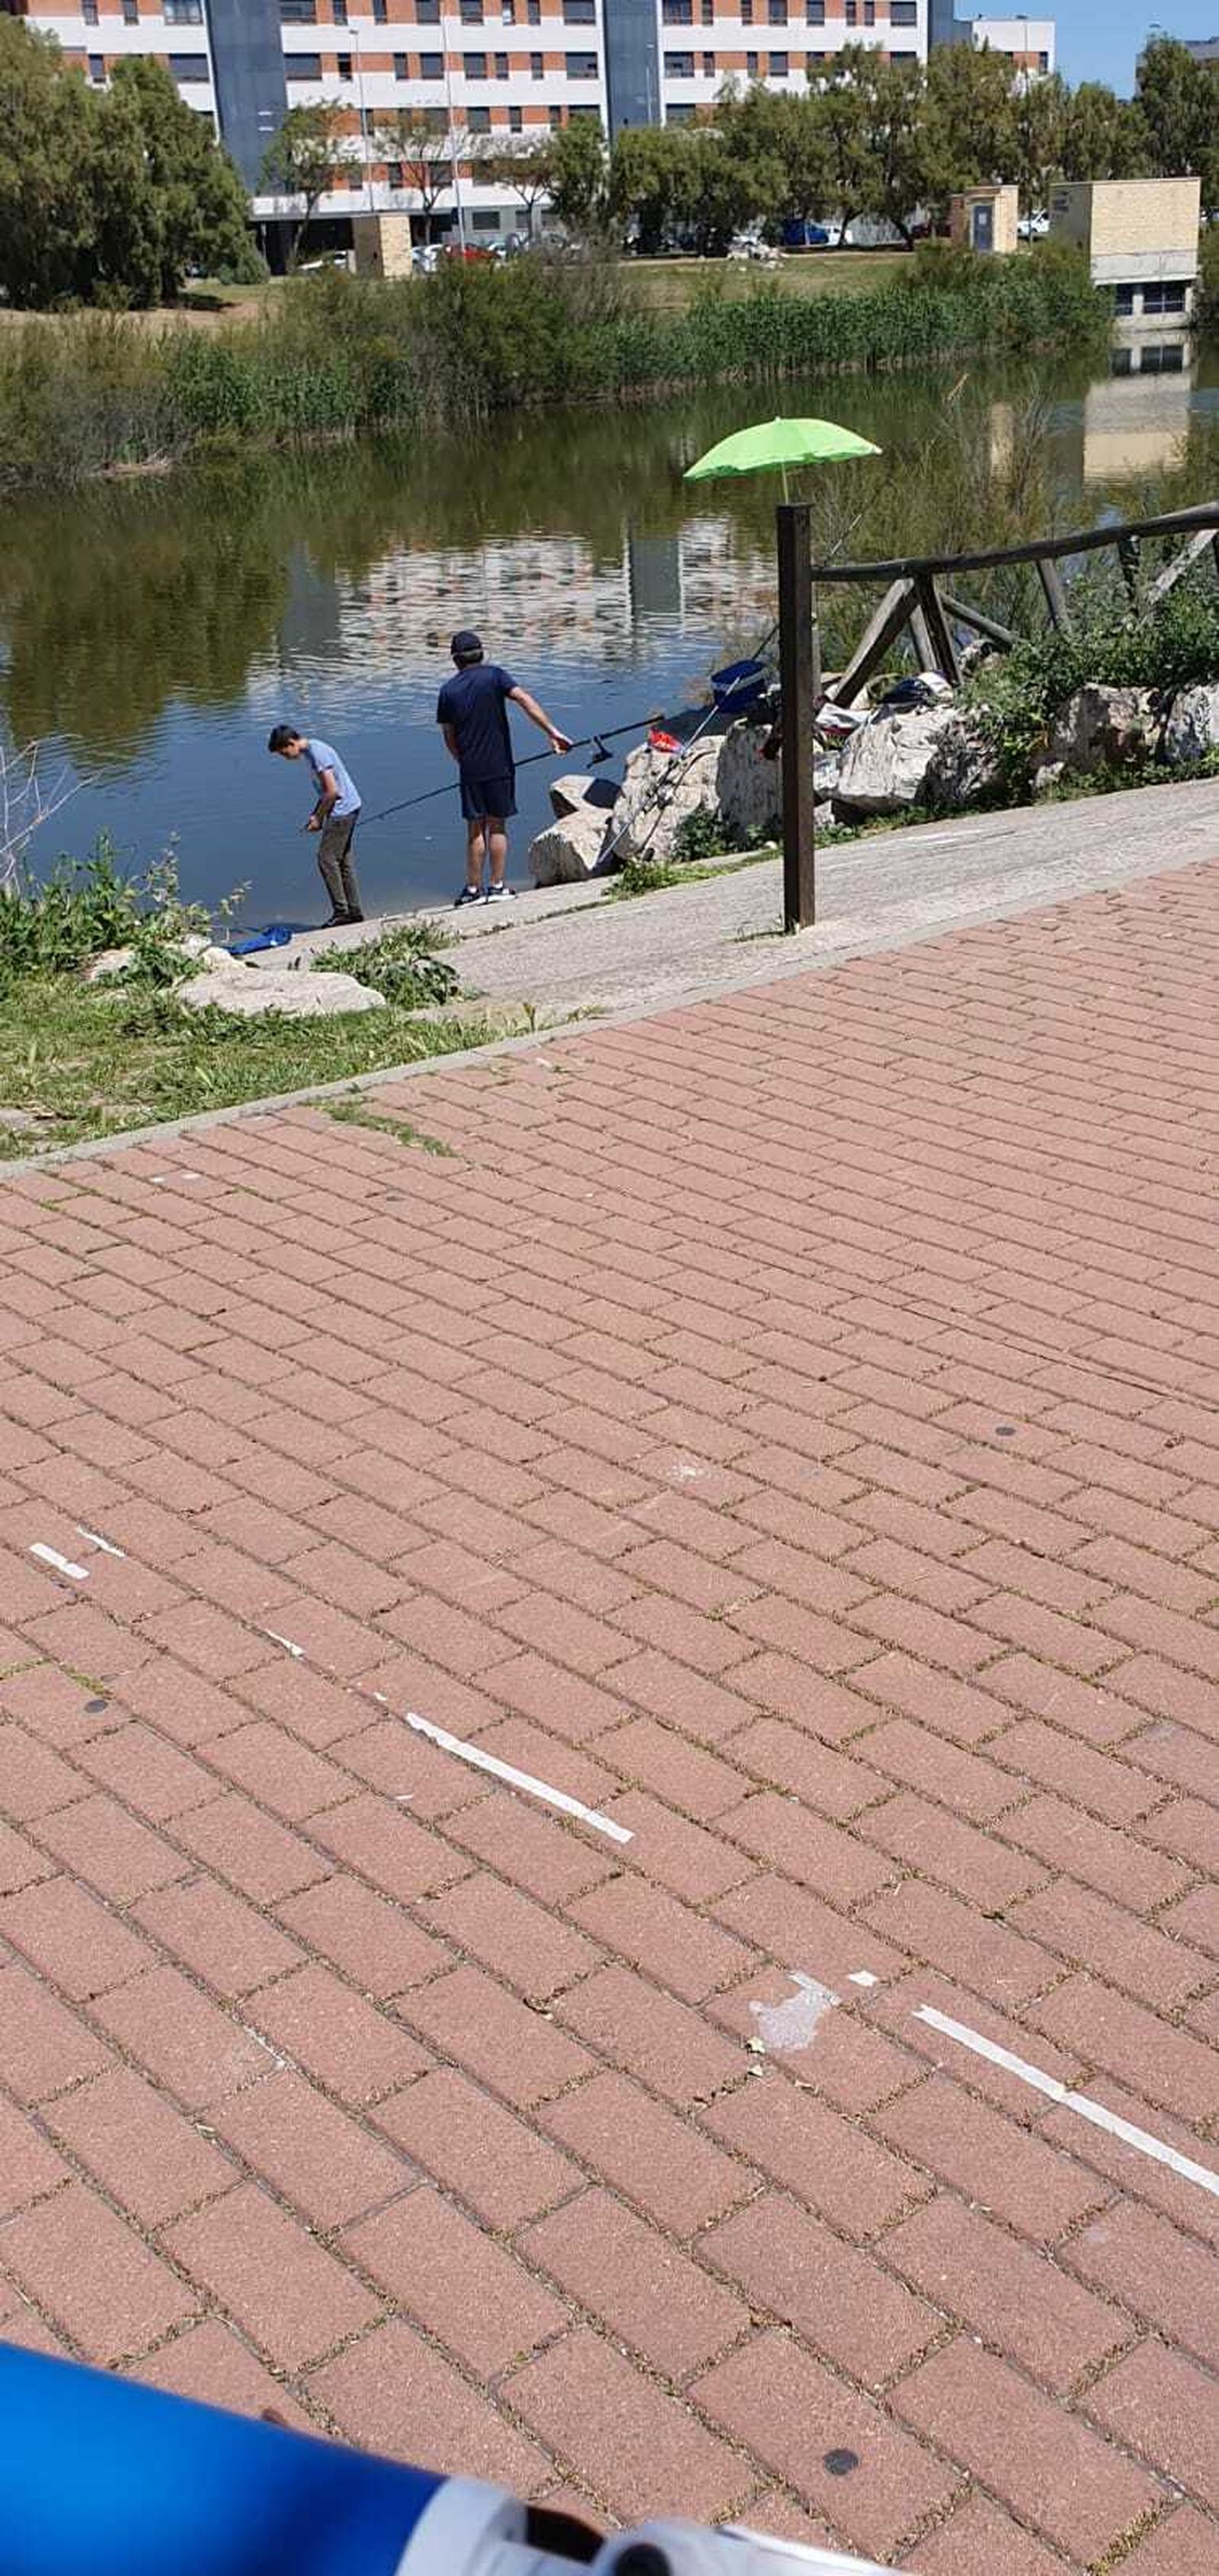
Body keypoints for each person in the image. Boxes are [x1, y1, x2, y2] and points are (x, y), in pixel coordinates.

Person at [437, 631, 571, 906]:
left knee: (475, 829)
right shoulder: (496, 676)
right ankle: (497, 886)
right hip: (500, 764)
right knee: (497, 825)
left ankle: (473, 891)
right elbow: (524, 700)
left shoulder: (448, 691)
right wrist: (552, 732)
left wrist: (462, 761)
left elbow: (449, 737)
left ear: (455, 660)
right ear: (482, 653)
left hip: (471, 768)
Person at [267, 724, 365, 927]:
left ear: (291, 743)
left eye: (284, 753)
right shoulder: (313, 750)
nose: (285, 757)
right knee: (343, 861)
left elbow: (332, 791)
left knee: (326, 859)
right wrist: (316, 814)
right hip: (346, 808)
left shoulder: (316, 753)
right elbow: (326, 793)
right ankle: (354, 912)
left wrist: (320, 818)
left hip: (342, 811)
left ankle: (342, 912)